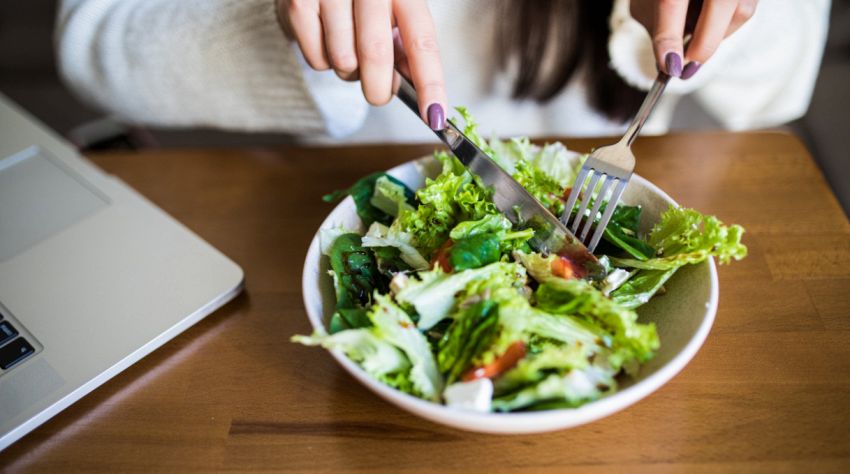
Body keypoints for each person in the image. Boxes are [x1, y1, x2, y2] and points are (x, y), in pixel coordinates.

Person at [56, 0, 830, 144]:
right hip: (305, 219)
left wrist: (694, 23)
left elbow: (786, 72)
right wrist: (300, 31)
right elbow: (93, 37)